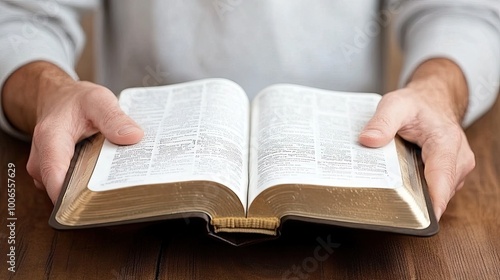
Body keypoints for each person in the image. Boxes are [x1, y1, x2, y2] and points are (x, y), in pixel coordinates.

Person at [0, 0, 498, 220]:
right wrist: (50, 91)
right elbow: (19, 16)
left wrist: (437, 90)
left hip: (351, 175)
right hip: (137, 190)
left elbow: (459, 8)